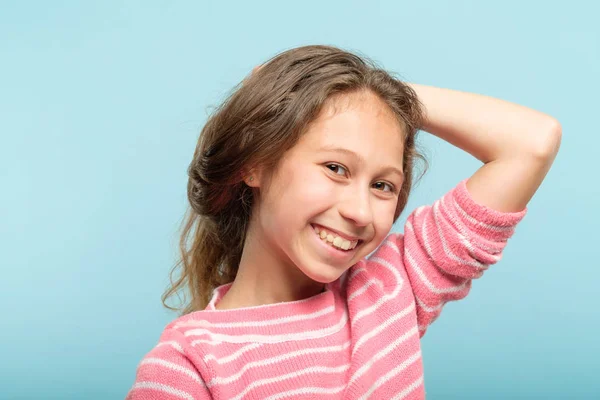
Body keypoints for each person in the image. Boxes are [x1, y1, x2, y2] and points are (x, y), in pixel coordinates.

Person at [125, 45, 561, 399]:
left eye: (383, 186)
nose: (359, 211)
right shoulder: (187, 366)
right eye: (335, 168)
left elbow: (532, 142)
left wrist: (377, 96)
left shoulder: (393, 291)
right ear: (254, 164)